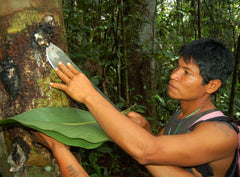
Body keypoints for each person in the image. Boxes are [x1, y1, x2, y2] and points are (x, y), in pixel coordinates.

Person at [33, 38, 238, 177]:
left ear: (212, 85)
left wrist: (89, 95)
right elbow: (161, 156)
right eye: (177, 66)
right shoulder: (182, 115)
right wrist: (146, 131)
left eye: (186, 72)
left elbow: (148, 152)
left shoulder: (222, 134)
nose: (174, 75)